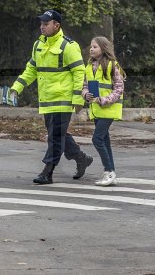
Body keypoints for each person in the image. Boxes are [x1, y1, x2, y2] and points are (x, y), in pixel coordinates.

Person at [10, 10, 93, 184]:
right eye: (41, 24)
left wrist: (78, 99)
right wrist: (16, 87)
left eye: (46, 24)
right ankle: (81, 158)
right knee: (58, 135)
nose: (42, 27)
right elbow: (31, 69)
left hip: (63, 101)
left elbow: (79, 73)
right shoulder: (38, 45)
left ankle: (47, 172)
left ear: (57, 25)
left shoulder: (68, 46)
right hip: (46, 102)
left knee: (54, 137)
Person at [82, 36, 124, 186]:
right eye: (91, 46)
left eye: (95, 47)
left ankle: (109, 171)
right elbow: (85, 86)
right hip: (96, 110)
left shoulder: (112, 65)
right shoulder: (89, 67)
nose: (91, 49)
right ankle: (110, 172)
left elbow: (119, 89)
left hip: (108, 109)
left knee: (97, 139)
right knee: (104, 140)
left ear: (103, 49)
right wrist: (85, 94)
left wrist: (105, 100)